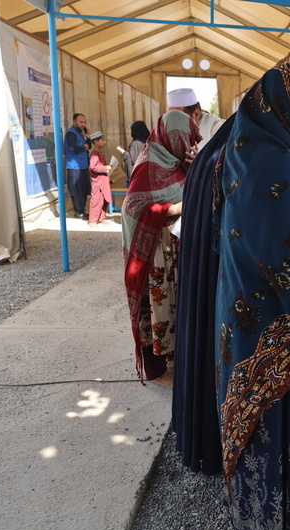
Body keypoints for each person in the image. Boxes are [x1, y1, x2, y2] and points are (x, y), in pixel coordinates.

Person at [173, 63, 290, 530]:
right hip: (279, 326)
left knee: (258, 424)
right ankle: (287, 519)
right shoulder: (273, 162)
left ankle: (257, 513)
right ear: (286, 106)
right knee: (281, 420)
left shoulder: (247, 149)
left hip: (246, 322)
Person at [121, 111, 201, 385]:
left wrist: (196, 167)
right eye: (181, 139)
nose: (185, 145)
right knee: (160, 308)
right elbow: (132, 206)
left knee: (182, 307)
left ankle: (182, 362)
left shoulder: (183, 164)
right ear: (167, 136)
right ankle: (160, 368)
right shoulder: (147, 165)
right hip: (156, 255)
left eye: (189, 139)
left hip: (181, 251)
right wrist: (171, 208)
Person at [63, 113, 91, 218]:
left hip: (83, 165)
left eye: (84, 122)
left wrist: (88, 137)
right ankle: (78, 211)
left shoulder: (81, 133)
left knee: (83, 189)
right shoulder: (71, 133)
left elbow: (89, 146)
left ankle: (82, 210)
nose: (83, 124)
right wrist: (83, 147)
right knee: (76, 190)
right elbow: (71, 148)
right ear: (74, 122)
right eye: (81, 122)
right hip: (74, 166)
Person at [87, 131, 112, 226]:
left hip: (103, 180)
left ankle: (101, 217)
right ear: (96, 142)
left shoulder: (99, 153)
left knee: (104, 199)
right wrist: (105, 168)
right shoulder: (94, 154)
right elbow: (93, 167)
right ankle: (93, 220)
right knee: (96, 200)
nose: (104, 142)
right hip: (97, 181)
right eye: (102, 140)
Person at [117, 120, 150, 186]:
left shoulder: (136, 144)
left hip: (136, 177)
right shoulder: (148, 143)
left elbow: (132, 159)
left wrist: (122, 151)